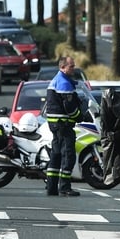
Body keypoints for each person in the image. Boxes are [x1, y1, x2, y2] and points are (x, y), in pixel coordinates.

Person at [44, 56, 83, 197]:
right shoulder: (64, 83)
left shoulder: (57, 80)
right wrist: (79, 116)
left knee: (56, 155)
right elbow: (70, 107)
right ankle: (65, 187)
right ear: (63, 67)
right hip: (63, 125)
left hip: (56, 125)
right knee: (68, 155)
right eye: (71, 66)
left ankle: (52, 187)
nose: (73, 68)